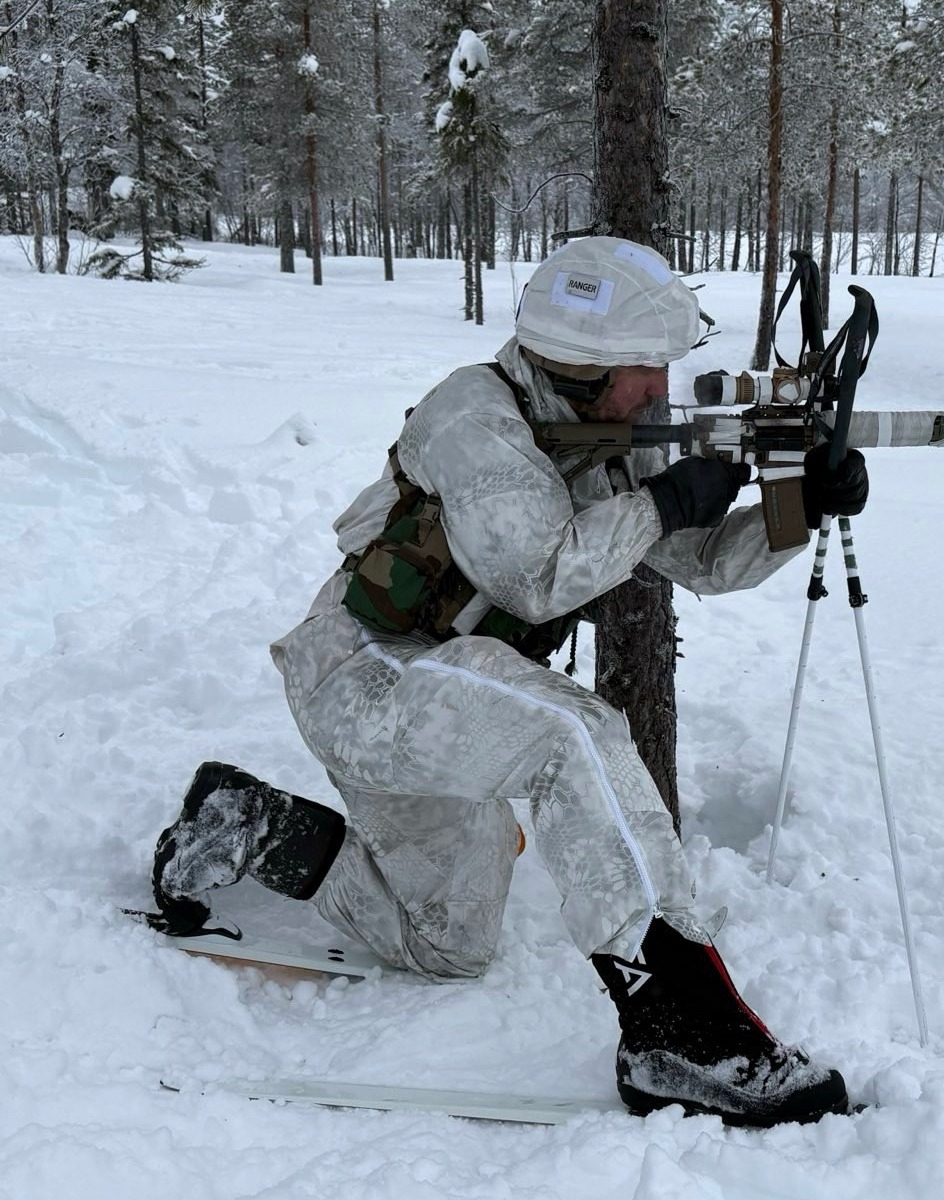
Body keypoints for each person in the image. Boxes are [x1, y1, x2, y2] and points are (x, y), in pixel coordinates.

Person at [148, 236, 869, 1127]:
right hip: (365, 677)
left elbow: (708, 563)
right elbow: (535, 573)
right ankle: (676, 1025)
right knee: (574, 733)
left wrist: (797, 500)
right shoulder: (469, 416)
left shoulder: (615, 433)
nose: (660, 386)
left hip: (451, 697)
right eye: (644, 366)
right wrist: (668, 498)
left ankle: (253, 823)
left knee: (445, 946)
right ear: (581, 365)